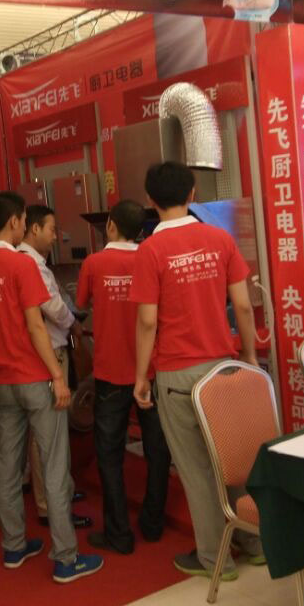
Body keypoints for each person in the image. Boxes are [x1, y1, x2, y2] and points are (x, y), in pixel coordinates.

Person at [130, 162, 263, 580]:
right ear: (192, 194)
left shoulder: (150, 250)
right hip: (222, 366)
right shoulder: (219, 238)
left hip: (176, 374)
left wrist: (141, 376)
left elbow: (147, 321)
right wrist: (249, 355)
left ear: (150, 200)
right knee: (234, 457)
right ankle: (256, 542)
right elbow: (243, 306)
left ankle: (214, 559)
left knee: (196, 468)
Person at [0, 191, 103, 583]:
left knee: (8, 467)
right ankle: (66, 558)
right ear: (14, 222)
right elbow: (37, 325)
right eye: (24, 221)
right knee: (53, 465)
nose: (24, 227)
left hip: (1, 382)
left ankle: (13, 546)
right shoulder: (20, 265)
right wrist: (57, 376)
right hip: (36, 379)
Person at [76, 200, 171, 554]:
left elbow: (82, 303)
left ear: (111, 226)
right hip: (152, 369)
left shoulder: (94, 263)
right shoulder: (152, 258)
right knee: (158, 450)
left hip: (110, 372)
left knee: (109, 453)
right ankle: (153, 523)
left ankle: (119, 533)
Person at [19, 205, 91, 530]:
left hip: (40, 353)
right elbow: (51, 306)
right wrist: (73, 321)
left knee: (47, 434)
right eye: (51, 229)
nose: (55, 236)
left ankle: (58, 493)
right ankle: (51, 505)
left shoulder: (28, 261)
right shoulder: (29, 263)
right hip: (47, 354)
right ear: (33, 228)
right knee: (47, 436)